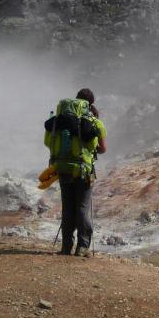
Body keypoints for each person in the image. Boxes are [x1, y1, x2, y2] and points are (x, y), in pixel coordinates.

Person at [48, 87, 107, 256]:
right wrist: (90, 149)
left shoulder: (59, 121)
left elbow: (48, 142)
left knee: (68, 208)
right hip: (83, 170)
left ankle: (66, 247)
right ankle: (83, 247)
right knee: (82, 208)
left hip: (64, 168)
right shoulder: (94, 122)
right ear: (90, 103)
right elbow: (103, 148)